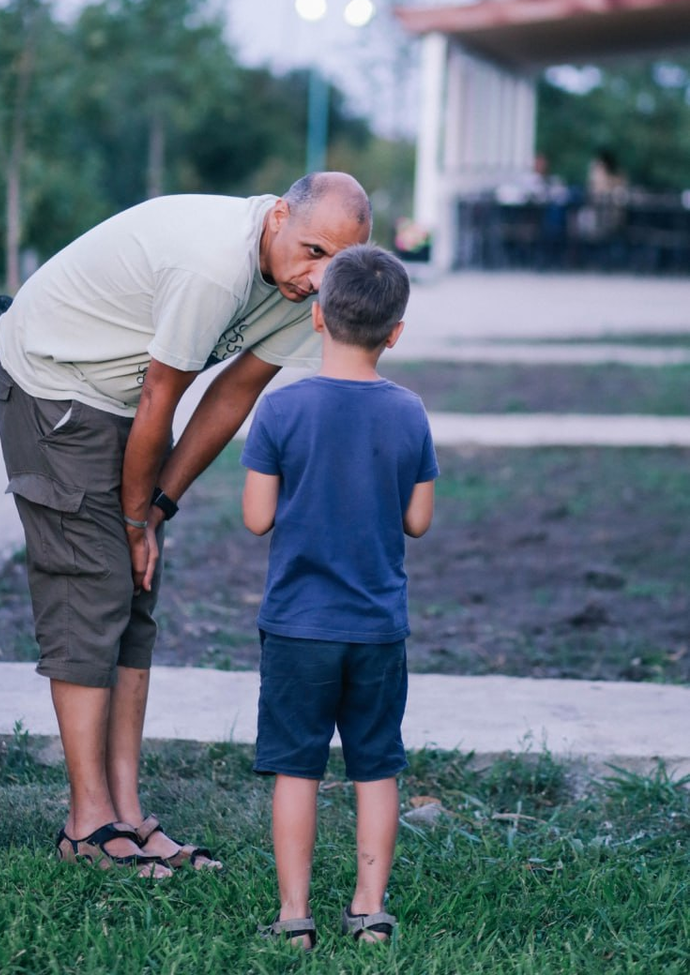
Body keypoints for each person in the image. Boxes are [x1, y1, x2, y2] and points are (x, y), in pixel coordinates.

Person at [0, 170, 372, 876]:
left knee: (133, 601)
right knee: (90, 589)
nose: (320, 277)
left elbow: (232, 396)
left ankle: (127, 812)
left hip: (126, 398)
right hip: (58, 384)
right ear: (278, 217)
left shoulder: (309, 287)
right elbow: (162, 398)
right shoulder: (213, 266)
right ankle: (86, 825)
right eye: (314, 251)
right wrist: (133, 519)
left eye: (337, 263)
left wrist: (157, 507)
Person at [241, 244, 438, 948]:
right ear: (395, 332)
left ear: (318, 317)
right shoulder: (409, 411)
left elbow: (257, 517)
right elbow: (418, 521)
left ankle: (295, 916)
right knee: (376, 767)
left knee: (296, 769)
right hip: (377, 628)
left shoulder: (281, 408)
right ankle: (369, 910)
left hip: (299, 627)